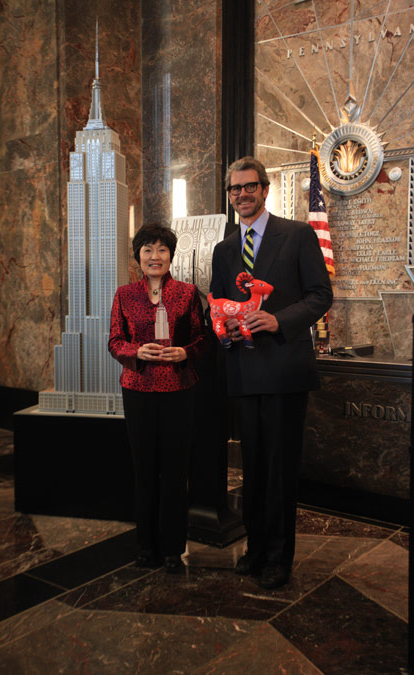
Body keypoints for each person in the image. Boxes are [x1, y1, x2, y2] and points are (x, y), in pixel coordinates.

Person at [209, 157, 333, 589]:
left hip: (284, 371)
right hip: (243, 372)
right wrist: (222, 327)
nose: (241, 194)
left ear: (264, 189)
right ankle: (256, 549)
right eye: (234, 189)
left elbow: (321, 295)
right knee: (253, 468)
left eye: (249, 186)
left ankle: (280, 558)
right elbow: (218, 304)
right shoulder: (225, 249)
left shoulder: (297, 235)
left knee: (280, 468)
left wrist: (280, 320)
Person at [108, 223, 206, 573]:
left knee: (175, 470)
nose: (155, 256)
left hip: (179, 389)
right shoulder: (124, 295)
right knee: (144, 468)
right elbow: (115, 342)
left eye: (162, 249)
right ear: (138, 256)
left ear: (170, 256)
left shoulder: (186, 292)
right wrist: (138, 351)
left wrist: (185, 353)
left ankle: (172, 549)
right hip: (138, 389)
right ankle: (146, 546)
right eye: (148, 249)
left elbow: (200, 340)